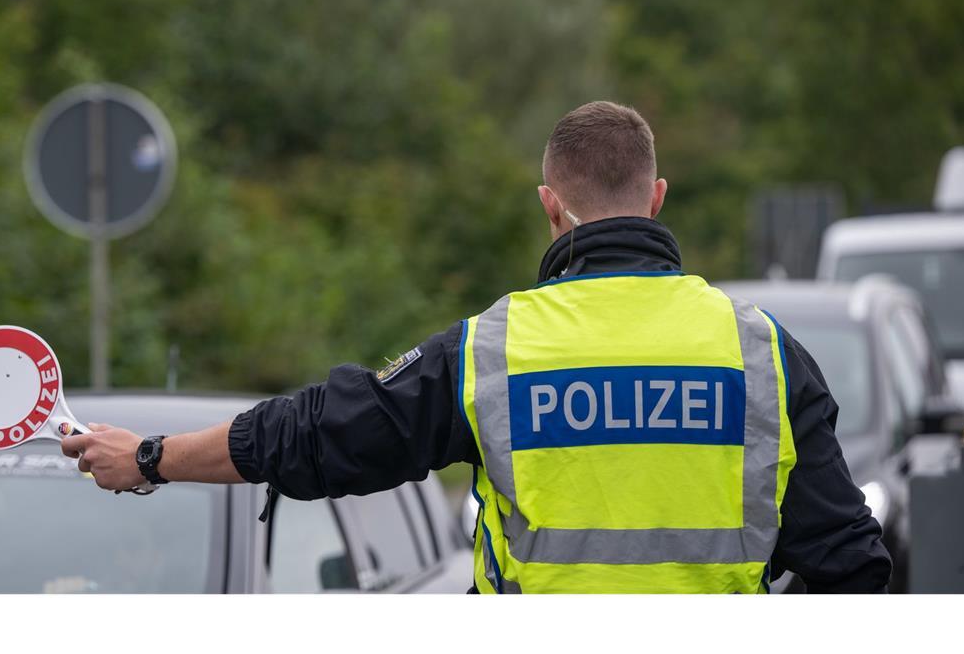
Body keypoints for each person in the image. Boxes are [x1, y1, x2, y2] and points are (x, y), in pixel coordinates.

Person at [62, 101, 892, 593]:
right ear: (657, 198)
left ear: (550, 206)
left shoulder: (494, 352)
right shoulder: (762, 355)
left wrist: (152, 456)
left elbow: (322, 433)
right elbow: (854, 569)